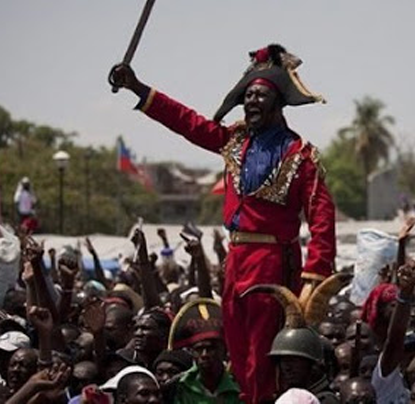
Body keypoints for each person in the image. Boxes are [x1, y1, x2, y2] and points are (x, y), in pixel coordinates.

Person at [109, 43, 336, 402]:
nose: (250, 102)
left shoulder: (300, 154)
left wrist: (315, 275)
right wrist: (138, 88)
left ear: (278, 102)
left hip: (272, 262)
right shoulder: (234, 140)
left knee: (264, 354)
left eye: (259, 95)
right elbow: (188, 122)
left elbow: (322, 217)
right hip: (236, 259)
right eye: (247, 96)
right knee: (237, 347)